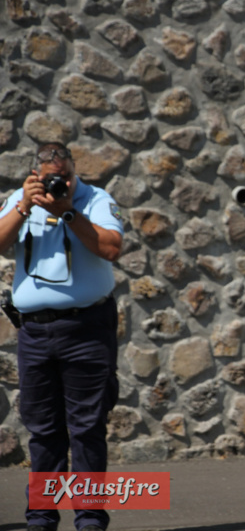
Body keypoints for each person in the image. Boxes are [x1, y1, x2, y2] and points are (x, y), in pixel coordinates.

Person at [0, 142, 123, 531]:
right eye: (51, 177)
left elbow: (111, 248)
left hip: (86, 328)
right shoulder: (21, 199)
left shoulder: (94, 199)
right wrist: (24, 206)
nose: (59, 182)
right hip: (35, 332)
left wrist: (67, 211)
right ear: (36, 174)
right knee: (43, 428)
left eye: (65, 175)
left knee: (87, 427)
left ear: (73, 170)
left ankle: (88, 518)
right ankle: (41, 516)